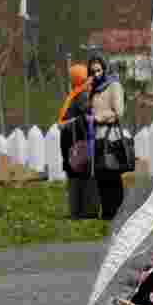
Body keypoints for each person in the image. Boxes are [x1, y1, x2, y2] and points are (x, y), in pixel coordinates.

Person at [87, 54, 126, 220]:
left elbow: (118, 112)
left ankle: (117, 212)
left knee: (112, 175)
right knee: (101, 176)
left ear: (104, 69)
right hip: (96, 137)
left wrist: (98, 117)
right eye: (93, 71)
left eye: (98, 70)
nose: (96, 74)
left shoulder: (114, 86)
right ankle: (107, 212)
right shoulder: (94, 89)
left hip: (111, 136)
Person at [58, 63, 100, 219]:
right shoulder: (81, 96)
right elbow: (88, 116)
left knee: (74, 178)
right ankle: (87, 211)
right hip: (81, 144)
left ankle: (76, 211)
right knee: (86, 178)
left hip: (70, 145)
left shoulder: (72, 96)